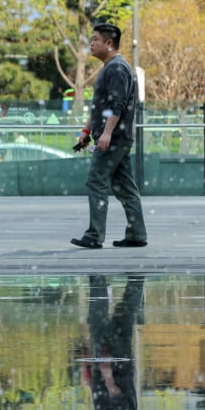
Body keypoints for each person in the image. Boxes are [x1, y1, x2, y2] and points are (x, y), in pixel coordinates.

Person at [70, 23, 147, 250]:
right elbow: (100, 107)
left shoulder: (117, 68)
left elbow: (117, 105)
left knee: (96, 181)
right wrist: (86, 132)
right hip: (115, 137)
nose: (91, 44)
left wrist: (106, 134)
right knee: (125, 187)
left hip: (115, 138)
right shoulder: (110, 67)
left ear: (109, 43)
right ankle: (136, 234)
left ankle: (94, 235)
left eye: (95, 39)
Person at [79, 275, 143, 410]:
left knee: (124, 317)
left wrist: (89, 377)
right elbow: (117, 396)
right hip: (113, 368)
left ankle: (136, 280)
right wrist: (107, 376)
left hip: (116, 367)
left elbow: (110, 400)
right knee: (99, 319)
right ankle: (98, 279)